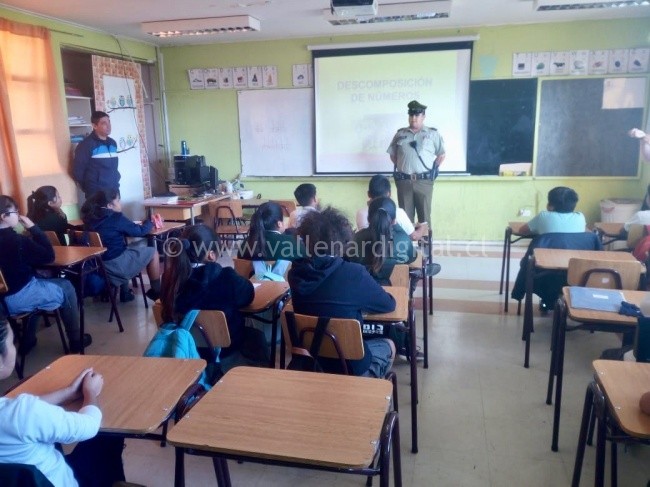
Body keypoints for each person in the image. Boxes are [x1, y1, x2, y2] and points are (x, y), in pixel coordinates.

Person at [0, 320, 125, 487]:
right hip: (57, 481)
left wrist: (68, 392)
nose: (14, 348)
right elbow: (89, 425)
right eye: (12, 342)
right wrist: (90, 392)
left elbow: (16, 409)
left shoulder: (15, 411)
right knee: (109, 437)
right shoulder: (22, 413)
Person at [288, 207, 396, 377]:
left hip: (312, 364)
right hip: (351, 369)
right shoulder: (354, 273)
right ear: (343, 240)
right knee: (388, 345)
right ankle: (372, 389)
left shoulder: (295, 272)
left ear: (307, 240)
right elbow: (388, 304)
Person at [160, 225, 264, 372]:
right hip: (225, 354)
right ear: (211, 255)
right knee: (258, 338)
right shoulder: (225, 277)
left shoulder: (169, 279)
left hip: (182, 350)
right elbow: (248, 295)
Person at [0, 195, 91, 353]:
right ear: (4, 216)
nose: (19, 215)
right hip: (16, 299)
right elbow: (49, 256)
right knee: (67, 287)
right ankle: (76, 340)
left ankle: (28, 340)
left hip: (2, 300)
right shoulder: (17, 241)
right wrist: (34, 228)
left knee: (39, 283)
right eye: (16, 212)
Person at [80, 190, 160, 302]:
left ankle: (125, 293)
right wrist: (150, 222)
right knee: (153, 253)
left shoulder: (89, 218)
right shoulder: (116, 218)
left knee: (124, 250)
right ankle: (157, 292)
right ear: (109, 205)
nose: (120, 203)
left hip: (98, 266)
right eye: (118, 200)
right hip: (117, 266)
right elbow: (140, 231)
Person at [387, 100, 445, 226]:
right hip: (404, 181)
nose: (413, 118)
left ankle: (425, 239)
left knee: (424, 218)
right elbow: (393, 155)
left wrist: (433, 169)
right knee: (405, 219)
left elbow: (441, 154)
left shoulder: (432, 134)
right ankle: (407, 239)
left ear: (423, 116)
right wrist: (403, 167)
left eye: (417, 115)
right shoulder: (400, 134)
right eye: (411, 115)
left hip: (424, 181)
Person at [352, 196, 416, 285]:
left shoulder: (357, 238)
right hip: (395, 291)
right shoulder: (403, 239)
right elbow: (412, 257)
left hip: (361, 289)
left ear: (368, 219)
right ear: (394, 220)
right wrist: (398, 228)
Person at [239, 201, 306, 276]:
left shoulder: (245, 244)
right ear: (279, 223)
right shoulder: (293, 243)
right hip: (288, 283)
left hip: (251, 283)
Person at [356, 174, 428, 241]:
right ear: (389, 194)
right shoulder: (398, 213)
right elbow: (414, 237)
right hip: (395, 249)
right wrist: (423, 227)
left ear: (368, 194)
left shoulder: (361, 213)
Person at [72, 111, 119, 200]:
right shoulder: (86, 144)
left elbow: (114, 168)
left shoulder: (112, 143)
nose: (108, 126)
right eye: (104, 123)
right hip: (96, 193)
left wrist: (116, 183)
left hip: (113, 190)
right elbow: (78, 171)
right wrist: (89, 188)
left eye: (109, 122)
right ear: (94, 126)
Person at [519, 186, 586, 235]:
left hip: (545, 250)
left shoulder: (543, 216)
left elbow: (522, 231)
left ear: (550, 206)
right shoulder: (580, 217)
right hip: (575, 250)